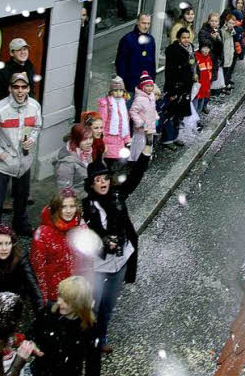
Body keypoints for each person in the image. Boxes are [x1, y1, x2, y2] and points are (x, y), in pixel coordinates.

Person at [81, 145, 152, 355]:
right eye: (98, 180)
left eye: (104, 179)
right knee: (93, 305)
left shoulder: (118, 194)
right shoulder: (87, 206)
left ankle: (101, 338)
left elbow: (136, 175)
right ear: (92, 185)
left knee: (108, 306)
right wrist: (104, 242)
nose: (102, 183)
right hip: (99, 263)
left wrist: (146, 150)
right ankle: (88, 341)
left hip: (120, 261)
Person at [0, 72, 41, 234]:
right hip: (1, 165)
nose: (20, 91)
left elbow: (37, 127)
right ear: (9, 89)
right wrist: (0, 154)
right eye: (16, 87)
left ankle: (21, 225)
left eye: (24, 87)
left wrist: (32, 139)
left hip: (24, 163)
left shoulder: (35, 106)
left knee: (21, 199)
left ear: (28, 89)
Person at [28, 276, 101, 376]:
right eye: (59, 296)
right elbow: (31, 333)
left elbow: (93, 364)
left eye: (66, 301)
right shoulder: (48, 312)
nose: (59, 302)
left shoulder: (90, 326)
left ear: (79, 303)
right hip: (41, 371)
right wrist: (33, 346)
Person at [30, 189, 92, 304]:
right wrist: (44, 300)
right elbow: (39, 271)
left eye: (72, 206)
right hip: (55, 297)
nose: (68, 211)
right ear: (56, 208)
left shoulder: (81, 227)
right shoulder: (43, 234)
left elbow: (88, 261)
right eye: (63, 207)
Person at [162, 28, 195, 149]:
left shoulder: (190, 48)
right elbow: (170, 72)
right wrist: (171, 90)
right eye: (183, 38)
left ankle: (175, 137)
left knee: (179, 114)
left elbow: (192, 66)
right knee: (171, 114)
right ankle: (167, 139)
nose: (186, 40)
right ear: (178, 38)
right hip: (175, 87)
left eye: (187, 37)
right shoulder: (173, 51)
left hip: (186, 87)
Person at [113, 13, 156, 100]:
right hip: (130, 85)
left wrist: (152, 82)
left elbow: (152, 63)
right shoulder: (127, 39)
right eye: (143, 23)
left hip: (146, 86)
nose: (146, 26)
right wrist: (122, 84)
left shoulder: (151, 39)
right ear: (137, 22)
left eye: (148, 23)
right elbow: (120, 63)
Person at [0, 39, 36, 105]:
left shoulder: (30, 68)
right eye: (19, 50)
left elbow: (31, 92)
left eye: (25, 49)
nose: (23, 52)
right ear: (11, 53)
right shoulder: (2, 72)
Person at [96, 77, 131, 163]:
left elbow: (125, 122)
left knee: (117, 159)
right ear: (111, 91)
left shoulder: (122, 103)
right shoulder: (106, 104)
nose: (118, 93)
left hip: (119, 139)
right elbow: (102, 120)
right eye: (115, 90)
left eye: (121, 90)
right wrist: (100, 136)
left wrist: (127, 138)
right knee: (108, 158)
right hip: (108, 137)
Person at [55, 122, 95, 192]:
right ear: (76, 139)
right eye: (84, 139)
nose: (89, 142)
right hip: (78, 196)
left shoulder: (86, 151)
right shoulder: (67, 163)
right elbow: (65, 190)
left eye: (91, 138)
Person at [128, 72, 158, 160]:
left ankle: (146, 157)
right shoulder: (139, 99)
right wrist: (140, 122)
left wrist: (156, 117)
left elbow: (152, 109)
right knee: (140, 144)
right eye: (147, 86)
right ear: (142, 87)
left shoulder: (151, 96)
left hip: (150, 126)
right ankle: (136, 159)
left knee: (149, 142)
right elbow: (133, 111)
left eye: (151, 86)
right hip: (142, 127)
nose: (149, 88)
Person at [197, 13, 224, 96]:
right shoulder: (203, 31)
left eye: (216, 21)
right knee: (202, 83)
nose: (214, 23)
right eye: (212, 21)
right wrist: (213, 38)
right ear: (208, 21)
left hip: (214, 60)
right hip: (205, 60)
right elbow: (204, 44)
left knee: (210, 84)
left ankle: (205, 103)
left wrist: (217, 39)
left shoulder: (218, 31)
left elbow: (220, 47)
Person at [194, 43, 213, 113]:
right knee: (195, 106)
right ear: (200, 49)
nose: (206, 50)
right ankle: (194, 122)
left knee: (200, 106)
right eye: (204, 48)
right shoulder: (196, 58)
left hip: (205, 87)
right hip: (197, 87)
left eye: (207, 48)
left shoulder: (208, 58)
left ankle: (197, 120)